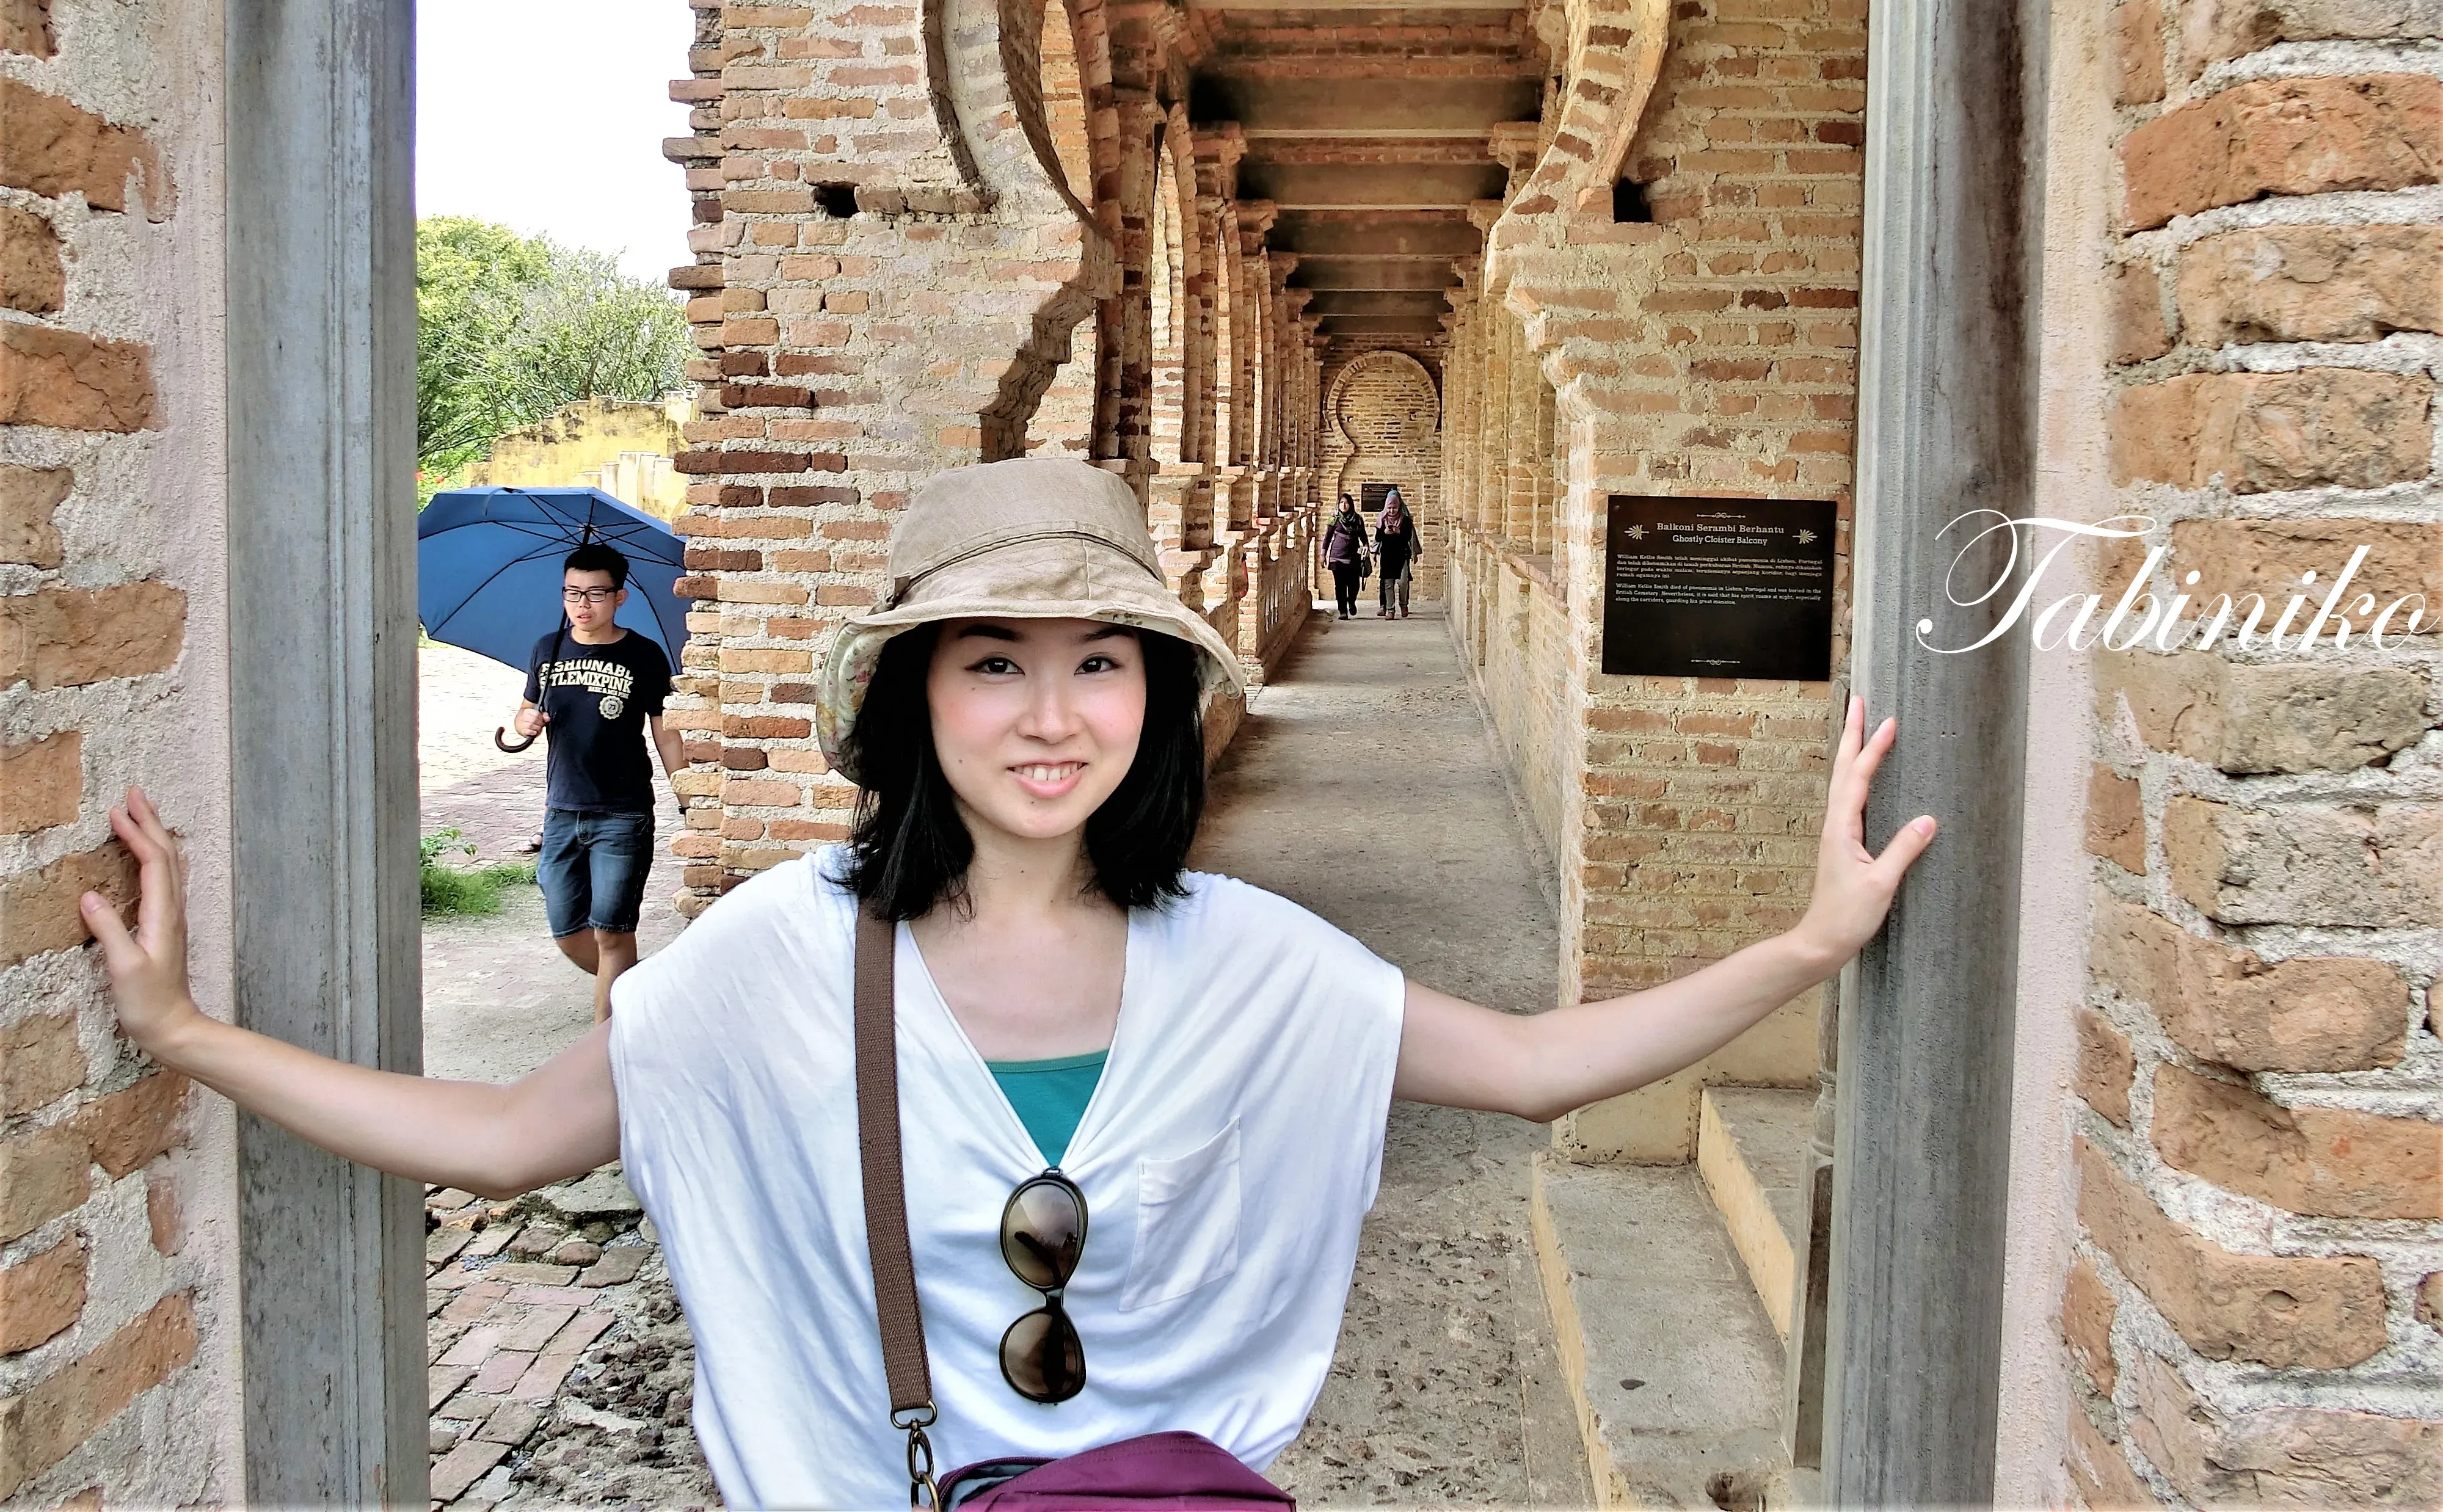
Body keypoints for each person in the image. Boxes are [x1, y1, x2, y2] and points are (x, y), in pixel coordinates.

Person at [84, 459, 1934, 1510]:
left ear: (1155, 699)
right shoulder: (781, 958)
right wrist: (180, 1034)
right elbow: (499, 1139)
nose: (1054, 718)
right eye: (992, 663)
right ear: (913, 698)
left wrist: (1804, 944)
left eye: (1101, 664)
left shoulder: (1248, 963)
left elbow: (1534, 1065)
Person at [509, 541, 685, 1021]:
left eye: (595, 594)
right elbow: (526, 709)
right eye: (572, 593)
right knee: (568, 931)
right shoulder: (549, 648)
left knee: (612, 932)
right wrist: (524, 723)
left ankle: (606, 1047)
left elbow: (664, 731)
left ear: (619, 598)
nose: (582, 605)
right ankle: (651, 991)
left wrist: (685, 792)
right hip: (562, 809)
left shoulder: (643, 654)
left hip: (623, 811)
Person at [1320, 492, 1370, 619]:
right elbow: (1328, 537)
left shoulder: (1358, 519)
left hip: (1353, 556)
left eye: (1346, 502)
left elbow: (1363, 536)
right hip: (1337, 556)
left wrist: (1367, 547)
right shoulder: (1334, 518)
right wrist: (1323, 554)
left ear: (1351, 504)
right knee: (1340, 584)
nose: (1344, 505)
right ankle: (1343, 610)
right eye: (1341, 502)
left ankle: (1351, 601)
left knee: (1354, 584)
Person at [1372, 487, 1418, 618]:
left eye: (1395, 508)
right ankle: (1390, 610)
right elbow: (1378, 538)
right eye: (1390, 508)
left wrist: (1399, 532)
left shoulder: (1405, 520)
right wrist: (1384, 533)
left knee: (1403, 582)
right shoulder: (1382, 519)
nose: (1392, 511)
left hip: (1401, 555)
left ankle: (1403, 605)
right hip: (1387, 556)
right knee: (1388, 583)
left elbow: (1408, 537)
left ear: (1399, 507)